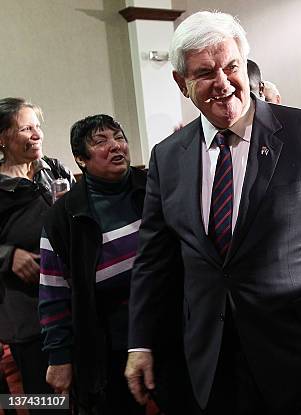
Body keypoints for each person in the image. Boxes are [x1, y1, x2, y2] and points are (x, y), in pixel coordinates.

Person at [125, 10, 301, 415]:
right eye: (205, 72)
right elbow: (153, 261)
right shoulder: (168, 157)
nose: (222, 83)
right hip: (210, 355)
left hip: (296, 347)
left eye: (231, 67)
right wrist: (142, 342)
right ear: (180, 83)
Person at [39, 114, 193, 414]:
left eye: (119, 137)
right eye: (100, 142)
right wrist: (59, 356)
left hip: (172, 330)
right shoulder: (64, 217)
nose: (115, 146)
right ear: (80, 159)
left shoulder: (153, 187)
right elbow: (53, 293)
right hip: (108, 346)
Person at [0, 97, 73, 414]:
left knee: (86, 392)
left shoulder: (54, 170)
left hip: (71, 302)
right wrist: (7, 255)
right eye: (26, 128)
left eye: (38, 127)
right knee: (46, 400)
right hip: (28, 315)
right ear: (2, 138)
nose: (37, 134)